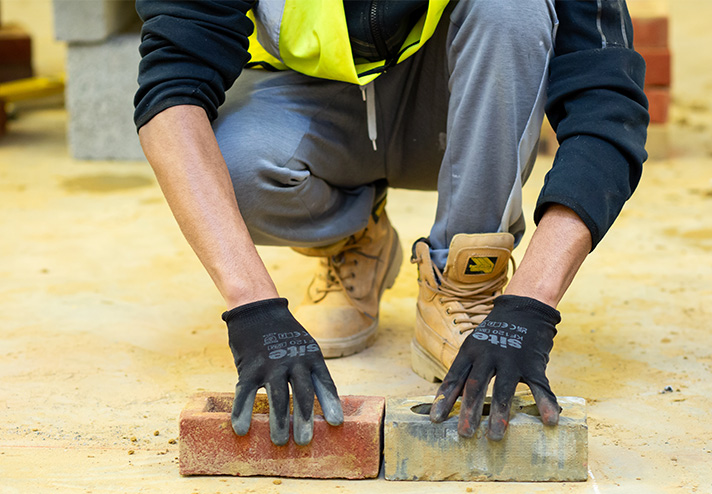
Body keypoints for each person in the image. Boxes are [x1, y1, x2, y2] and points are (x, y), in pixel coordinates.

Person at [134, 0, 648, 446]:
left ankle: (467, 276)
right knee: (230, 166)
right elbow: (171, 89)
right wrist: (252, 305)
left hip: (457, 103)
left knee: (512, 7)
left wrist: (531, 302)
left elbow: (606, 106)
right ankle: (355, 235)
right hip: (313, 106)